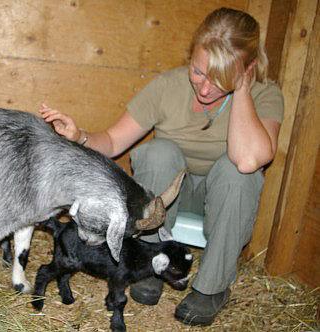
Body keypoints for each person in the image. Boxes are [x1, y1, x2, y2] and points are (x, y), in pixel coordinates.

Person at [39, 7, 284, 326]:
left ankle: (211, 288)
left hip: (224, 202)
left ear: (246, 70)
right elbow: (113, 141)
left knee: (238, 172)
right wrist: (79, 136)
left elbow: (250, 159)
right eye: (198, 71)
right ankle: (149, 262)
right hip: (170, 195)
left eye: (221, 78)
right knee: (157, 152)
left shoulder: (265, 96)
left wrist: (240, 91)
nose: (205, 88)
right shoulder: (169, 86)